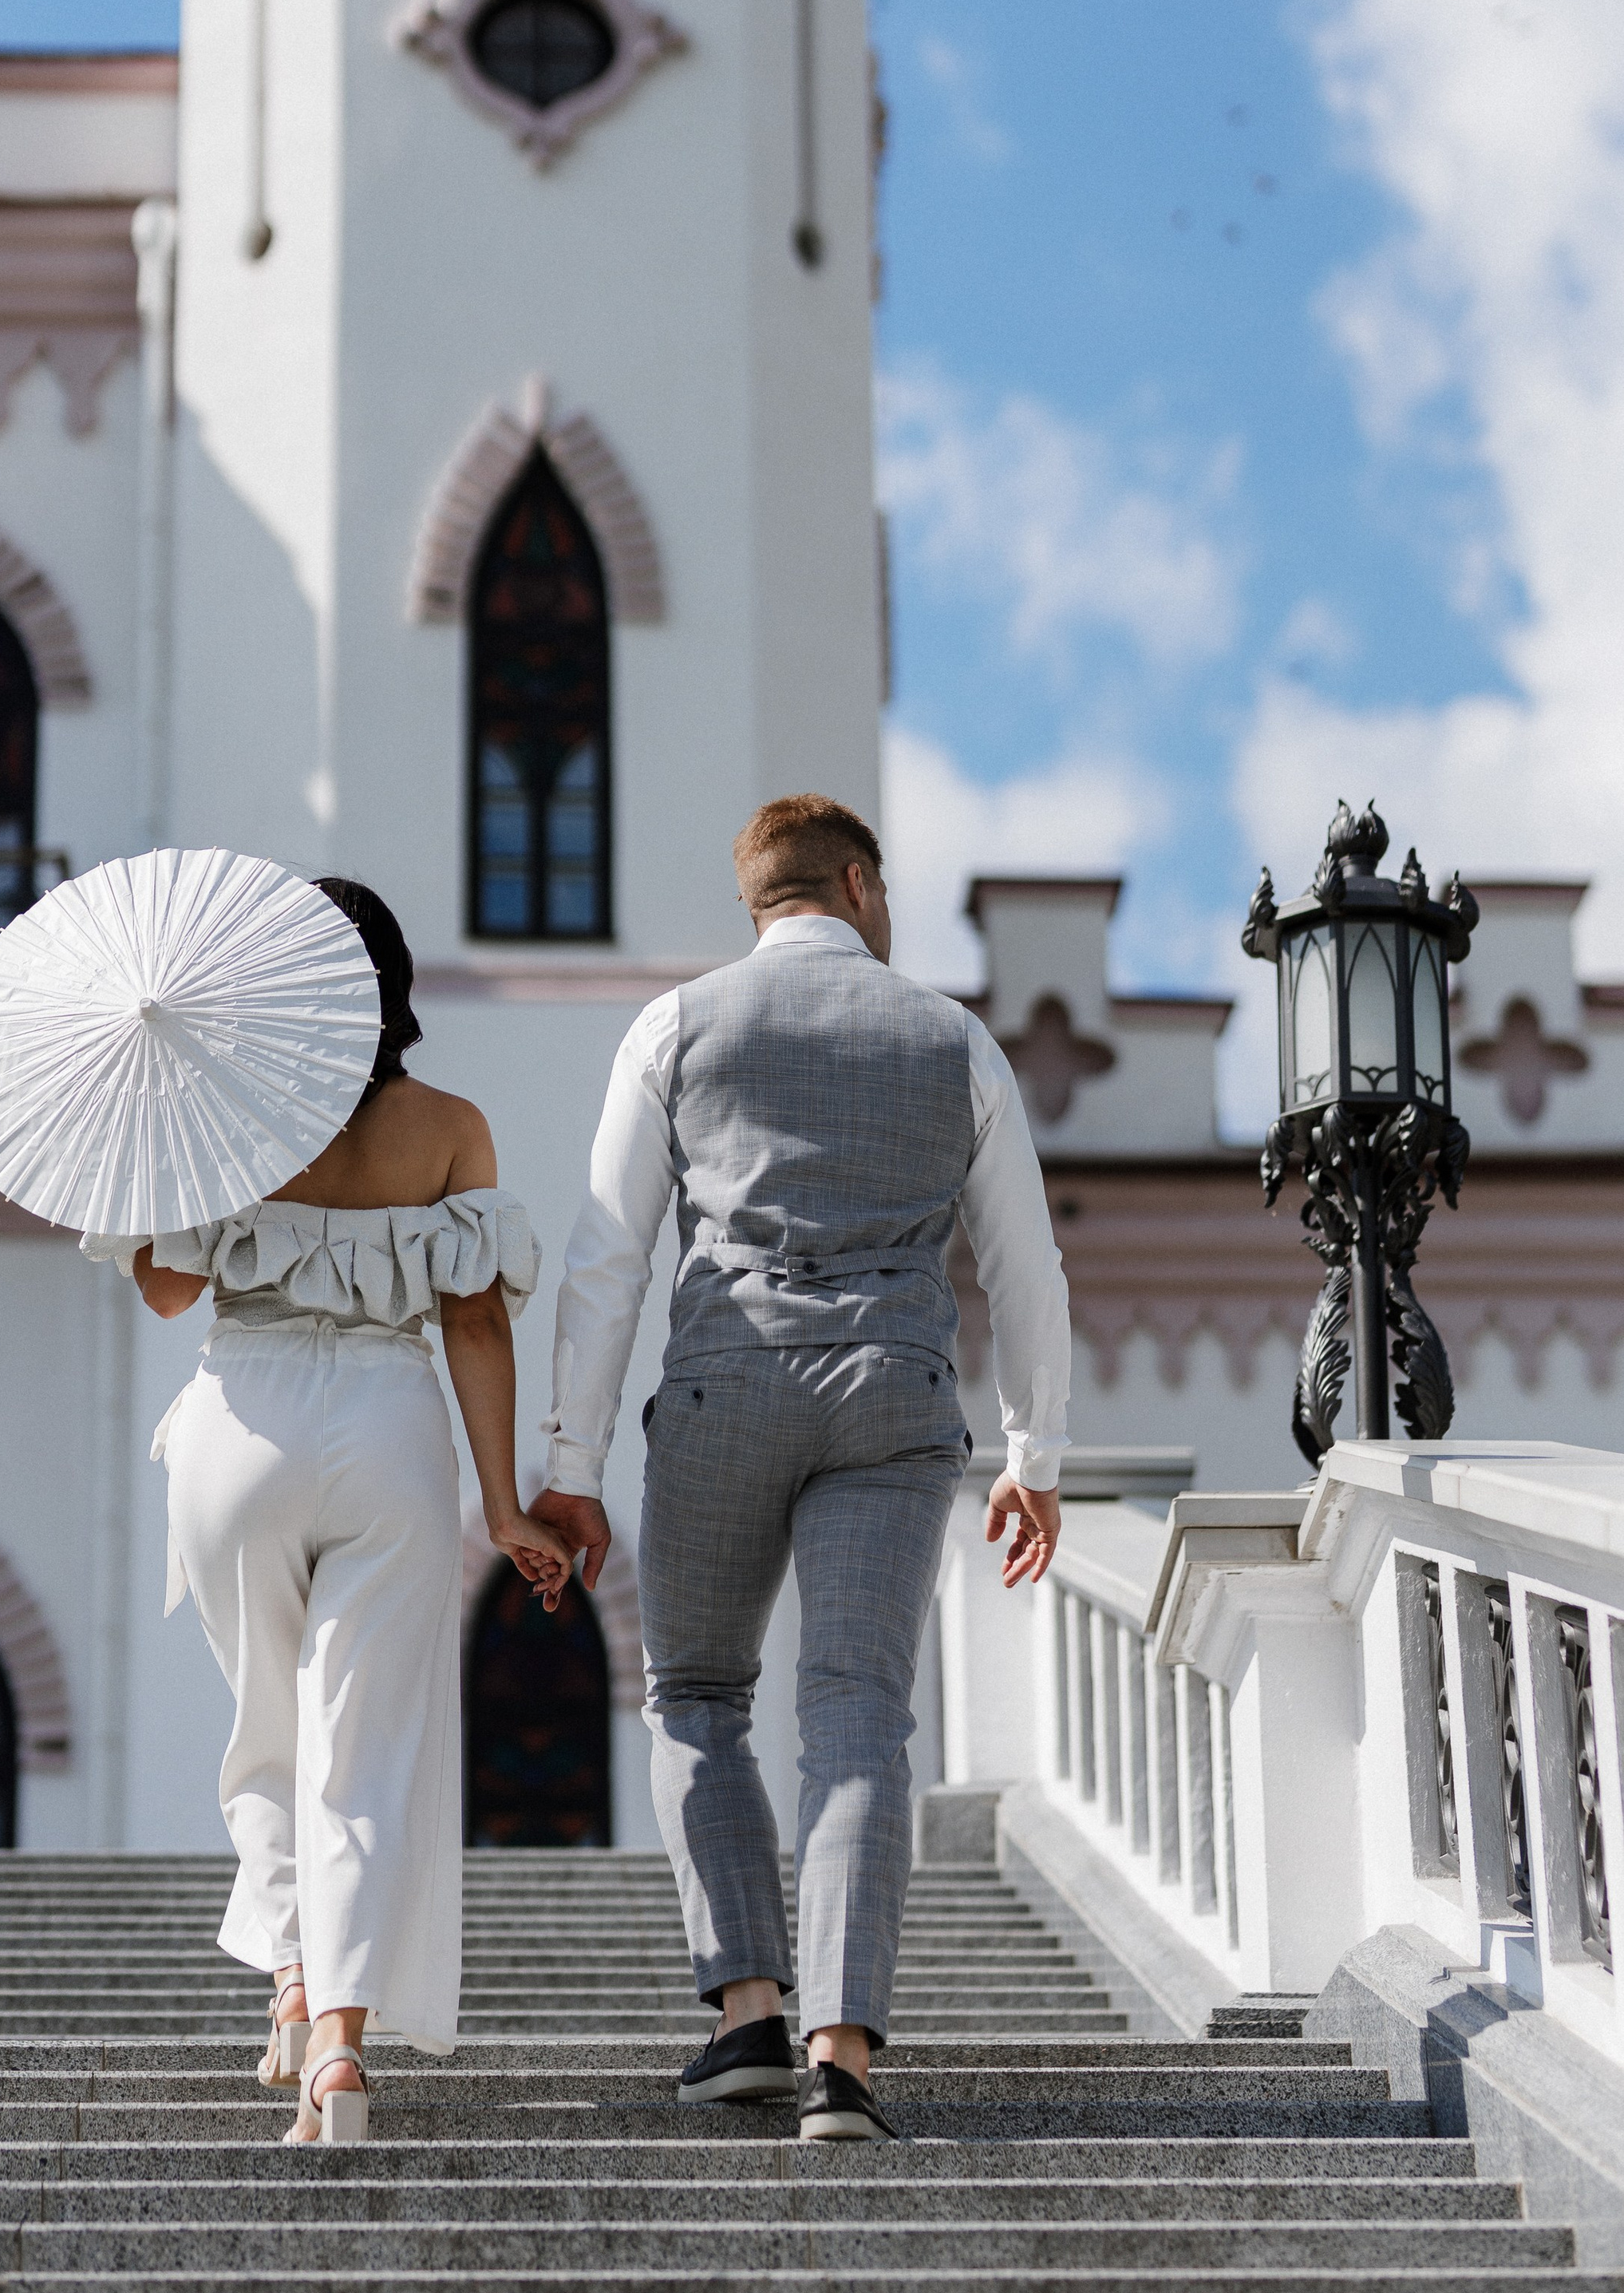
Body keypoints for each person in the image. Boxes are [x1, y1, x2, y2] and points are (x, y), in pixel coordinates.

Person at [531, 795, 1070, 2141]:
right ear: (859, 884)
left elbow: (608, 1257)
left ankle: (747, 2016)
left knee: (697, 1693)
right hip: (893, 1392)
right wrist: (1036, 1453)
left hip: (726, 1381)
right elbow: (1026, 1266)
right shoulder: (955, 1039)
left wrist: (571, 1460)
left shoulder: (675, 1027)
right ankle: (842, 2058)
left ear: (758, 902)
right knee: (858, 1711)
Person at [85, 877, 571, 2147]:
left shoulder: (220, 1113)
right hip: (390, 1427)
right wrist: (506, 1504)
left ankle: (294, 1979)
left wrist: (159, 1138)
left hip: (240, 1425)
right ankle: (340, 2047)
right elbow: (476, 1318)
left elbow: (167, 1290)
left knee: (266, 1726)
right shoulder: (451, 1126)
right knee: (365, 1743)